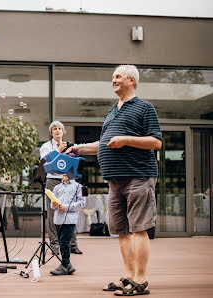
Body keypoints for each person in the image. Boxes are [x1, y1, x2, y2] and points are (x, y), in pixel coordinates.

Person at [66, 65, 162, 296]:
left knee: (139, 229)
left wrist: (126, 140)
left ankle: (141, 279)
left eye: (118, 76)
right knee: (121, 230)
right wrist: (80, 149)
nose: (114, 80)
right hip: (114, 180)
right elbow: (106, 143)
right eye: (113, 77)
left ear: (132, 80)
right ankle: (128, 276)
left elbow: (156, 142)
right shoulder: (112, 110)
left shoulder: (144, 108)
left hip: (138, 176)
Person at [39, 121, 83, 255]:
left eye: (60, 129)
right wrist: (58, 150)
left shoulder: (70, 146)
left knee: (69, 210)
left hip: (68, 181)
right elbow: (45, 161)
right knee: (53, 213)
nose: (57, 131)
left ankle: (72, 244)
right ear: (51, 133)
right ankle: (54, 244)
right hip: (52, 181)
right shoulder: (46, 146)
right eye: (55, 129)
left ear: (63, 132)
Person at [49, 174, 86, 275]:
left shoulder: (78, 187)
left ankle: (65, 265)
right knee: (61, 242)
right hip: (58, 219)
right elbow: (52, 202)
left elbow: (82, 202)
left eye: (68, 171)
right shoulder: (57, 187)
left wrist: (66, 207)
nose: (65, 173)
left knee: (65, 242)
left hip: (70, 219)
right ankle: (68, 265)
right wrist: (53, 204)